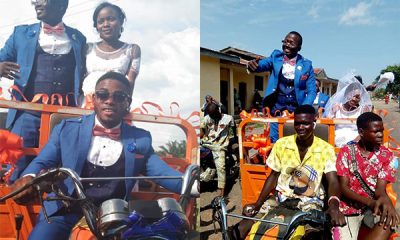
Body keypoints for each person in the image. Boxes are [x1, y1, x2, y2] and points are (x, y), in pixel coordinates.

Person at [10, 71, 185, 239]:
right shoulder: (66, 129)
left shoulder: (140, 139)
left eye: (119, 97)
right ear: (94, 99)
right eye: (103, 95)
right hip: (63, 211)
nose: (110, 101)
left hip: (112, 215)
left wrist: (194, 184)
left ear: (127, 103)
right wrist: (28, 178)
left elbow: (161, 172)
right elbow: (42, 160)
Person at [0, 0, 86, 183]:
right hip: (27, 113)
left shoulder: (78, 38)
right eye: (35, 0)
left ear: (61, 6)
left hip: (64, 116)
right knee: (18, 163)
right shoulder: (20, 34)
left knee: (61, 167)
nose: (37, 3)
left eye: (43, 0)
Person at [231, 105, 345, 239]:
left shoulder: (326, 149)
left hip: (310, 202)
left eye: (306, 123)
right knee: (238, 230)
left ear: (314, 123)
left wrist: (334, 206)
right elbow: (273, 176)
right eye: (298, 123)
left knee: (312, 236)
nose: (301, 127)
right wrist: (258, 203)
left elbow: (332, 181)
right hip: (280, 198)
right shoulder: (281, 144)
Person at [334, 112, 399, 239]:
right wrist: (370, 202)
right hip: (348, 209)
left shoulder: (387, 155)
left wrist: (385, 201)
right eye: (376, 131)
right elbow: (343, 187)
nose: (381, 135)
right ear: (361, 132)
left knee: (389, 221)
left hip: (372, 208)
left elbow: (380, 189)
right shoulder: (347, 151)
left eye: (381, 130)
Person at [247, 31, 316, 142]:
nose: (287, 44)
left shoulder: (306, 65)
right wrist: (252, 66)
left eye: (291, 43)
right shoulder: (275, 56)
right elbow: (261, 65)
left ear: (299, 48)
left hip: (296, 115)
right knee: (275, 142)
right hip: (276, 111)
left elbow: (312, 91)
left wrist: (303, 110)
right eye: (285, 41)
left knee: (295, 143)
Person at [81, 2, 141, 108]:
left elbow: (130, 82)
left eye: (111, 19)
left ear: (121, 21)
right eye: (101, 21)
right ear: (96, 26)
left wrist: (125, 106)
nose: (106, 24)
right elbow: (79, 77)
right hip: (86, 104)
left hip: (114, 106)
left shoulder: (132, 50)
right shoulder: (87, 48)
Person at [324, 74, 372, 147]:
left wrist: (353, 143)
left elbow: (366, 130)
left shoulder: (363, 110)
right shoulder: (336, 107)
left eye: (357, 97)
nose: (354, 99)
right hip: (335, 142)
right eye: (352, 95)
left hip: (357, 144)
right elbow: (327, 125)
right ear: (346, 94)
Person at [200, 102, 235, 197]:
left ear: (218, 111)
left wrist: (230, 143)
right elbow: (202, 130)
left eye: (213, 114)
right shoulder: (207, 118)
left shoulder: (228, 118)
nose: (211, 116)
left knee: (221, 168)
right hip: (207, 143)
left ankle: (222, 194)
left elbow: (232, 133)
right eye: (210, 115)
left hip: (220, 146)